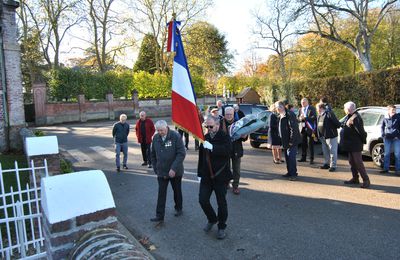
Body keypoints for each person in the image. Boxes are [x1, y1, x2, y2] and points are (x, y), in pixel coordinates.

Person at [198, 115, 232, 239]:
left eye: (211, 126)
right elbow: (201, 158)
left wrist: (213, 148)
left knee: (221, 203)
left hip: (221, 176)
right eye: (206, 126)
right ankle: (212, 219)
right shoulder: (205, 138)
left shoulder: (225, 137)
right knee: (202, 200)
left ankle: (222, 226)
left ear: (217, 125)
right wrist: (199, 173)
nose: (208, 128)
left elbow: (228, 151)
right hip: (206, 176)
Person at [150, 120, 186, 222]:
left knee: (177, 191)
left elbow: (181, 153)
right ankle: (159, 215)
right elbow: (152, 154)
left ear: (166, 128)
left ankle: (178, 208)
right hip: (161, 171)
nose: (160, 132)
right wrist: (155, 167)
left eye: (161, 130)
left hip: (175, 171)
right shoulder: (156, 138)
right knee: (161, 193)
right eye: (158, 130)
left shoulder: (175, 136)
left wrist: (173, 168)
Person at [340, 101, 370, 188]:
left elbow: (361, 132)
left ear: (349, 109)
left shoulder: (356, 117)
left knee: (358, 163)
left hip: (355, 145)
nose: (344, 110)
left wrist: (362, 141)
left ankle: (366, 180)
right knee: (352, 162)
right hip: (350, 144)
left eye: (345, 108)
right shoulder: (350, 116)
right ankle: (355, 178)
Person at [220, 107, 247, 195]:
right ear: (224, 114)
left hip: (236, 149)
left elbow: (245, 137)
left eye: (230, 114)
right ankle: (226, 182)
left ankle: (235, 186)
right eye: (227, 114)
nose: (228, 116)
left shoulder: (238, 123)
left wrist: (244, 136)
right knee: (225, 168)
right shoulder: (220, 123)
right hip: (224, 150)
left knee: (236, 170)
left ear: (233, 114)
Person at [275, 101, 302, 181]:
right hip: (285, 141)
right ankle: (289, 172)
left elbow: (293, 129)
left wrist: (291, 141)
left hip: (291, 141)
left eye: (277, 107)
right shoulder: (280, 115)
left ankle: (294, 174)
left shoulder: (290, 114)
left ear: (282, 107)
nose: (276, 108)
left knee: (291, 157)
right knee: (287, 157)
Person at [316, 102, 341, 172]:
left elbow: (337, 123)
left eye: (317, 108)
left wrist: (331, 129)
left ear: (321, 108)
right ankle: (326, 164)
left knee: (332, 151)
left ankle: (333, 166)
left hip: (331, 136)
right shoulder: (319, 115)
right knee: (325, 151)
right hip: (323, 137)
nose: (317, 110)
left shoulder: (329, 113)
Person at [380, 105, 400, 175]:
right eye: (392, 110)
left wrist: (398, 136)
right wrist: (383, 135)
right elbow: (382, 127)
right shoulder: (385, 118)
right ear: (388, 111)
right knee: (387, 154)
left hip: (396, 138)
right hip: (387, 138)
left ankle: (398, 170)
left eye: (395, 110)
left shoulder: (398, 117)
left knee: (397, 154)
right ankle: (386, 169)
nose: (394, 111)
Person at [297, 98, 317, 164]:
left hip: (310, 128)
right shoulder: (300, 109)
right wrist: (300, 118)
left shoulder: (312, 108)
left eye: (304, 102)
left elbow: (314, 117)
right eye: (302, 102)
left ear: (307, 102)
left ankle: (311, 159)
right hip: (302, 129)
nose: (302, 103)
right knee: (303, 144)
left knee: (310, 144)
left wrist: (305, 118)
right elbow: (297, 118)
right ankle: (303, 157)